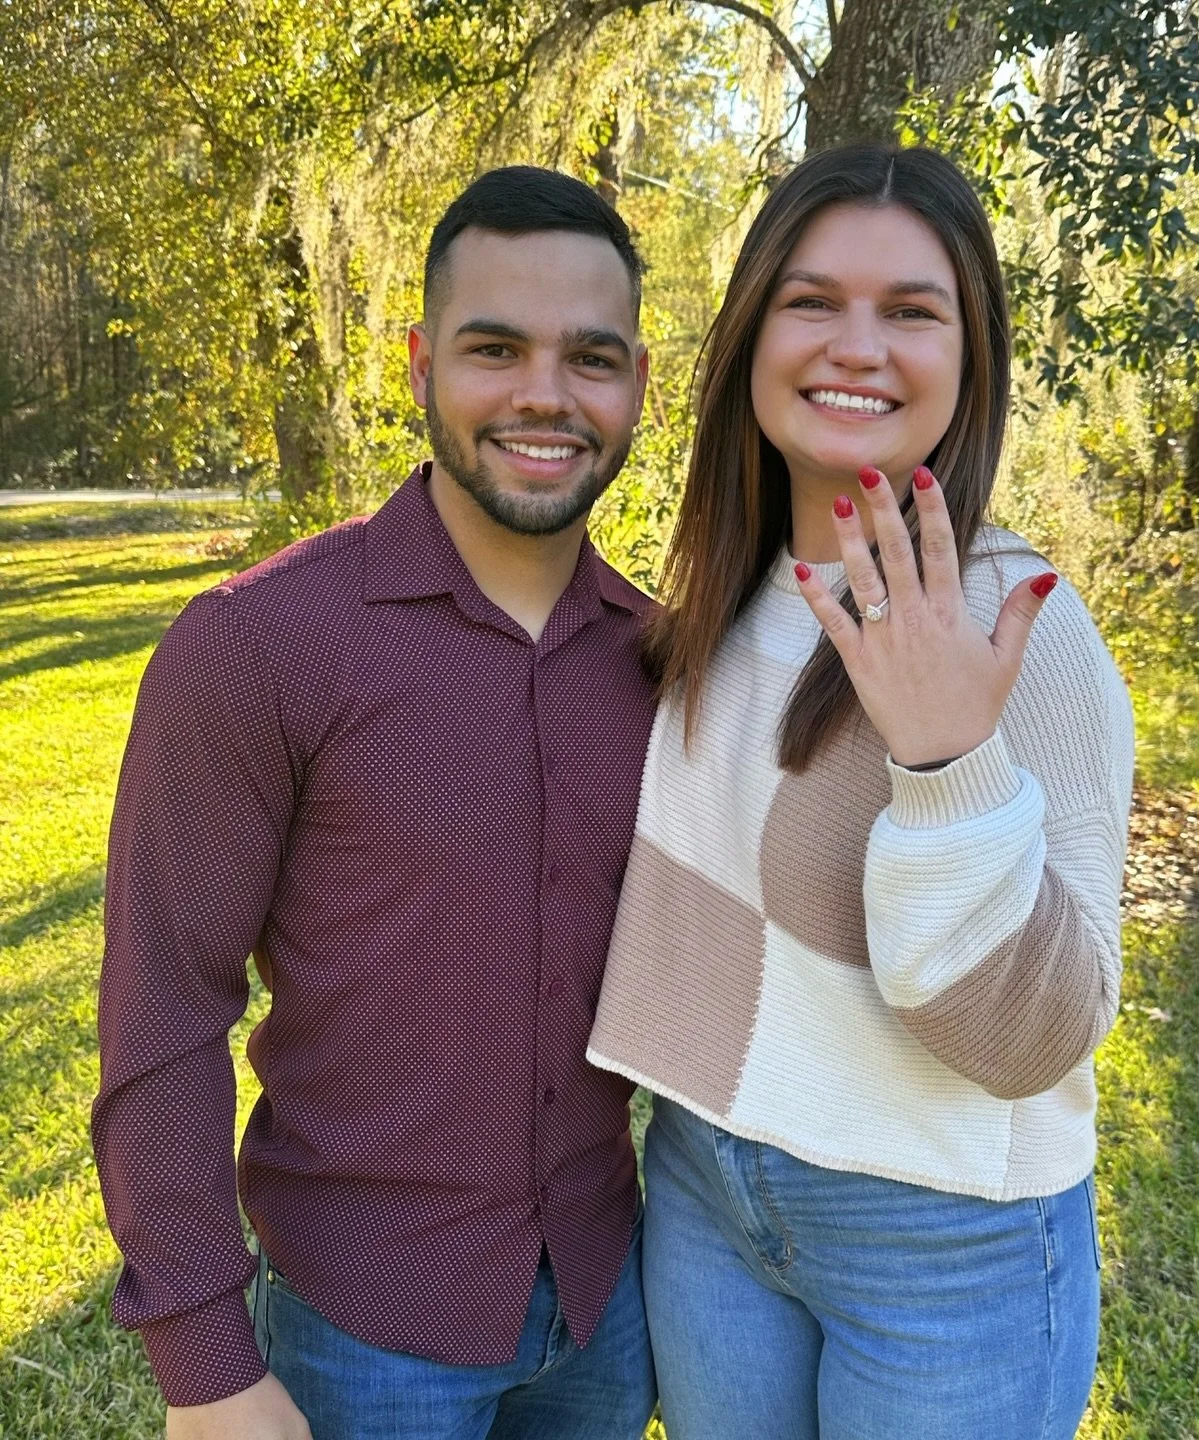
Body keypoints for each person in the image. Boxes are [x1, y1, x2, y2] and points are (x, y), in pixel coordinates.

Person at [92, 166, 659, 1440]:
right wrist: (205, 1365)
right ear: (416, 364)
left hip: (607, 1315)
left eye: (590, 356)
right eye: (493, 347)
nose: (543, 394)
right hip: (364, 1336)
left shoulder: (662, 661)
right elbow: (163, 1008)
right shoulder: (258, 645)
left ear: (640, 385)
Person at [588, 143, 1134, 1439]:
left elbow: (1035, 1038)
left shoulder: (1019, 628)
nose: (857, 346)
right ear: (751, 332)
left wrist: (946, 766)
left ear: (970, 356)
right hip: (708, 1188)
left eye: (912, 311)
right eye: (814, 301)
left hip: (941, 1242)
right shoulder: (720, 594)